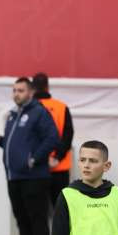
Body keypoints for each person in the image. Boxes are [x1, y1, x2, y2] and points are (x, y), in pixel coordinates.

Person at [0, 76, 60, 235]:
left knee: (37, 220)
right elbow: (12, 144)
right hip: (14, 176)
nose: (16, 94)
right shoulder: (12, 115)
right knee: (22, 220)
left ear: (31, 92)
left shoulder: (38, 112)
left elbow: (53, 138)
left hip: (34, 176)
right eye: (14, 90)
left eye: (21, 90)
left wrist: (34, 158)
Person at [33, 72, 75, 205]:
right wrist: (57, 157)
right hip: (59, 168)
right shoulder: (61, 107)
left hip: (35, 169)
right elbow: (68, 135)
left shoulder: (28, 109)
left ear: (32, 88)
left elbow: (25, 140)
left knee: (37, 214)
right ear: (47, 87)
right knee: (61, 213)